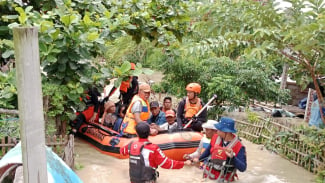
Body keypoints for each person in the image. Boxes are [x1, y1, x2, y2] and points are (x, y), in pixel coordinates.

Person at [120, 122, 192, 183]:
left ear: (136, 133)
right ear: (149, 133)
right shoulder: (153, 148)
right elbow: (166, 163)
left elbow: (122, 152)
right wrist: (184, 163)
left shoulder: (131, 145)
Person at [196, 117, 247, 182]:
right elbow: (206, 154)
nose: (217, 130)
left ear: (227, 132)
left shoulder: (239, 146)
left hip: (225, 179)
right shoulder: (215, 138)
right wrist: (196, 161)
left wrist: (232, 157)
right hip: (209, 177)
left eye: (219, 129)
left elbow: (243, 168)